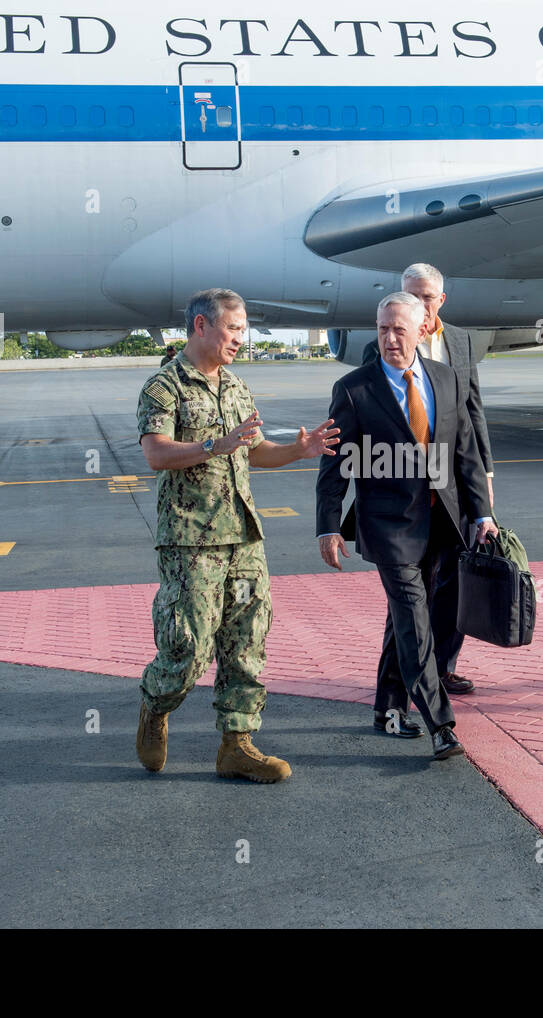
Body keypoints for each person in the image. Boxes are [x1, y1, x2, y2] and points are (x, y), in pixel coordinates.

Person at [135, 288, 339, 781]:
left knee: (247, 639)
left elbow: (253, 451)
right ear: (202, 326)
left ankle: (236, 743)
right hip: (190, 539)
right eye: (234, 329)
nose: (240, 340)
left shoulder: (237, 386)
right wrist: (215, 443)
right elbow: (157, 454)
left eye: (243, 330)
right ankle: (155, 706)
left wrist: (298, 451)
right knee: (190, 646)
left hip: (243, 537)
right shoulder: (165, 387)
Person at [317, 292, 497, 759]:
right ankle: (441, 723)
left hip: (443, 522)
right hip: (389, 527)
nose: (390, 338)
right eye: (382, 329)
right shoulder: (355, 389)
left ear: (422, 330)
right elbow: (335, 465)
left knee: (406, 620)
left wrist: (483, 513)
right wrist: (328, 526)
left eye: (399, 329)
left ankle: (388, 709)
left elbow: (466, 454)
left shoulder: (447, 379)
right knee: (416, 622)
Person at [360, 263, 494, 695]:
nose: (419, 304)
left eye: (426, 297)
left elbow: (473, 412)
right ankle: (409, 682)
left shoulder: (460, 341)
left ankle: (443, 665)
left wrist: (484, 481)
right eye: (410, 295)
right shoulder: (379, 347)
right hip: (404, 493)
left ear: (440, 300)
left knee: (455, 580)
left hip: (453, 483)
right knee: (408, 591)